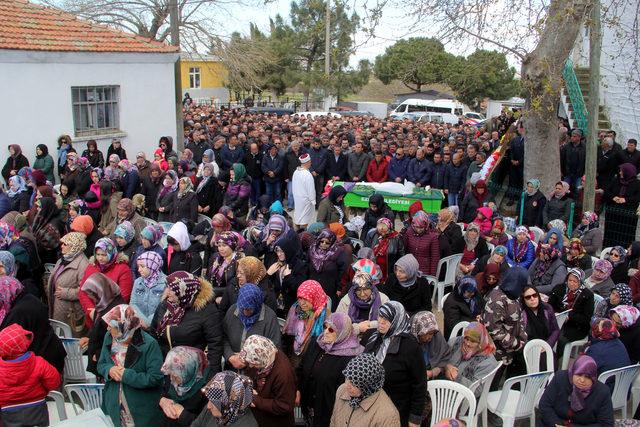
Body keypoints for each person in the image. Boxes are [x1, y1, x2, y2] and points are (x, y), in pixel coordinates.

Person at [97, 304, 164, 427]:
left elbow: (156, 377)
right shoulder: (110, 337)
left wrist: (126, 375)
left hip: (140, 410)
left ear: (125, 325)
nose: (108, 329)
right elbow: (101, 364)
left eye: (112, 326)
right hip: (114, 405)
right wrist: (109, 370)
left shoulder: (149, 344)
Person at [364, 301, 426, 427]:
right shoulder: (373, 337)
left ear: (397, 320)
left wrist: (415, 418)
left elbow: (419, 384)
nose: (381, 322)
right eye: (380, 316)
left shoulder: (410, 346)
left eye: (386, 319)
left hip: (397, 408)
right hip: (370, 404)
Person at [151, 271, 223, 376]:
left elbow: (215, 344)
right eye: (168, 287)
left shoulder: (206, 311)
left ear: (183, 290)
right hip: (165, 367)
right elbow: (153, 333)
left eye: (172, 289)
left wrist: (211, 376)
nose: (168, 292)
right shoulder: (165, 306)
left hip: (192, 370)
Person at [298, 312, 363, 426]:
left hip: (328, 415)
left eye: (331, 329)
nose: (326, 332)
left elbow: (348, 393)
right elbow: (302, 368)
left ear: (342, 332)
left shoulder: (351, 357)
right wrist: (297, 389)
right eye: (325, 327)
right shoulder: (317, 343)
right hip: (308, 407)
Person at [0, 277, 66, 373]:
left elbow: (7, 344)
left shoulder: (18, 313)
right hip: (51, 352)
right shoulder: (29, 298)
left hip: (41, 363)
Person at [0, 323, 61, 427]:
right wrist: (43, 390)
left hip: (7, 411)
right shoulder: (39, 363)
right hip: (37, 408)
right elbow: (54, 382)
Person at [538, 355, 614, 427]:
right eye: (579, 374)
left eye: (587, 377)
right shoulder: (560, 379)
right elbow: (544, 404)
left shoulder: (602, 392)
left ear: (593, 378)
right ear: (573, 372)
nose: (582, 380)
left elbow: (606, 424)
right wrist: (555, 423)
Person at [330, 353, 401, 427]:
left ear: (368, 386)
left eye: (354, 384)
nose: (347, 385)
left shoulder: (388, 415)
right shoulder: (342, 390)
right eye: (347, 378)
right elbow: (333, 421)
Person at [239, 335, 296, 427]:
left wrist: (255, 399)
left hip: (276, 422)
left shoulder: (283, 374)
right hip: (261, 418)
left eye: (253, 363)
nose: (250, 366)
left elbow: (284, 406)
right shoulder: (266, 355)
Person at [223, 284, 281, 369]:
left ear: (257, 304)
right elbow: (223, 337)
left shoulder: (269, 318)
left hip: (257, 372)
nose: (245, 312)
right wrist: (230, 356)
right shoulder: (233, 311)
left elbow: (275, 349)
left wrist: (249, 360)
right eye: (242, 308)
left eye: (249, 309)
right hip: (232, 367)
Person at [78, 238, 134, 327]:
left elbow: (123, 296)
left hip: (112, 321)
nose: (100, 258)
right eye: (98, 254)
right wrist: (91, 311)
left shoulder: (123, 269)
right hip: (92, 318)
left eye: (104, 255)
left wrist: (105, 315)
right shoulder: (92, 267)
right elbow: (83, 291)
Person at [481, 267, 527, 373]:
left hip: (511, 349)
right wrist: (516, 344)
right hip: (498, 354)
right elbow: (495, 331)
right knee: (494, 383)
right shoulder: (497, 300)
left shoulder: (512, 294)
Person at [81, 273, 125, 377]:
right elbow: (96, 325)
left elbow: (120, 339)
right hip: (99, 356)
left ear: (101, 291)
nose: (90, 296)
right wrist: (88, 337)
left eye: (92, 293)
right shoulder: (102, 304)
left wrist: (101, 354)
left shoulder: (115, 310)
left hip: (108, 361)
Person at [47, 231, 90, 337]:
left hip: (71, 312)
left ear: (74, 246)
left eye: (65, 244)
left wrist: (66, 293)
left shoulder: (83, 264)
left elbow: (86, 290)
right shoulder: (64, 259)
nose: (61, 246)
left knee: (67, 339)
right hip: (59, 307)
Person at [548, 269, 595, 357]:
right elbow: (550, 304)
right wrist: (555, 313)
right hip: (557, 319)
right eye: (570, 280)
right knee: (544, 330)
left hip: (576, 326)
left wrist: (569, 317)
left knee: (560, 339)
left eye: (575, 281)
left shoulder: (587, 295)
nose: (571, 283)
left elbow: (586, 318)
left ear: (580, 282)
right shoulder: (560, 288)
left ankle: (555, 359)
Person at [159, 346, 210, 427]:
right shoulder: (171, 374)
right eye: (170, 374)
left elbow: (206, 423)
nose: (172, 379)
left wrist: (182, 414)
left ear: (188, 372)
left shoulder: (206, 391)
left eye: (176, 376)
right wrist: (162, 400)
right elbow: (162, 391)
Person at [445, 322, 498, 395]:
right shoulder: (455, 342)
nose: (468, 343)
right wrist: (446, 366)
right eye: (466, 339)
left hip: (464, 397)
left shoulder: (488, 362)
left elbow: (477, 390)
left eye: (473, 341)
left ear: (481, 342)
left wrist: (457, 377)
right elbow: (441, 358)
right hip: (445, 387)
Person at [283, 280, 331, 361]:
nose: (302, 303)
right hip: (294, 357)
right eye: (300, 298)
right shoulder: (296, 309)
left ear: (315, 297)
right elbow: (288, 338)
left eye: (306, 299)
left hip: (311, 359)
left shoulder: (326, 317)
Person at [192, 371, 258, 427]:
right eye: (209, 398)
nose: (208, 406)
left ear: (231, 402)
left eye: (216, 402)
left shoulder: (247, 425)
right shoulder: (216, 407)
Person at [336, 271, 389, 337]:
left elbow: (389, 321)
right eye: (358, 290)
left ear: (371, 287)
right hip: (351, 339)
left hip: (376, 338)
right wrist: (358, 328)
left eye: (365, 289)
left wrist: (370, 325)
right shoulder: (346, 300)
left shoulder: (383, 299)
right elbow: (337, 324)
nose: (362, 294)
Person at [603, 163, 640, 247]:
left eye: (622, 171)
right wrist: (614, 197)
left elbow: (637, 197)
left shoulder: (637, 184)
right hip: (613, 213)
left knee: (625, 235)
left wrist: (626, 200)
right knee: (611, 233)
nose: (620, 173)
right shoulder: (616, 180)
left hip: (628, 215)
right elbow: (607, 191)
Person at [308, 228, 348, 306]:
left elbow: (342, 272)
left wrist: (339, 288)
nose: (323, 244)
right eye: (321, 241)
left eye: (327, 243)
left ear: (332, 243)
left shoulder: (338, 253)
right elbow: (307, 267)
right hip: (312, 286)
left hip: (329, 288)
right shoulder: (312, 250)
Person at [411, 311, 451, 380]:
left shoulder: (437, 337)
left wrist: (432, 372)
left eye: (432, 333)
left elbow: (444, 359)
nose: (429, 337)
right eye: (426, 333)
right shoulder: (409, 342)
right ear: (417, 331)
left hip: (435, 375)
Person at [130, 251, 167, 325]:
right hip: (139, 324)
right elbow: (133, 304)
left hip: (156, 325)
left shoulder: (165, 282)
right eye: (138, 266)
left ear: (152, 266)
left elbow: (163, 308)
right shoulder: (138, 282)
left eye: (142, 266)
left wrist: (148, 322)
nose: (139, 270)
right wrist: (141, 321)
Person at [401, 210, 439, 276]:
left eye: (421, 227)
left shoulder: (432, 237)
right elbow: (404, 251)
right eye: (416, 227)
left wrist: (432, 275)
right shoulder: (408, 233)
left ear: (426, 225)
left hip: (424, 271)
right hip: (410, 269)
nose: (418, 230)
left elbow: (435, 258)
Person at [369, 217, 404, 284]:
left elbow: (401, 255)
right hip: (376, 269)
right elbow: (370, 250)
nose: (382, 234)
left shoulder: (396, 237)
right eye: (380, 231)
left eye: (385, 231)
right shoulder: (375, 235)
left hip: (389, 270)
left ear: (389, 228)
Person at [292, 153, 316, 229]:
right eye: (310, 162)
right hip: (306, 200)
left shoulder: (296, 172)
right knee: (304, 219)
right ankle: (302, 235)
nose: (310, 163)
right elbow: (311, 189)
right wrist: (313, 201)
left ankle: (297, 232)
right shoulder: (307, 174)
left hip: (297, 198)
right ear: (307, 162)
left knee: (298, 217)